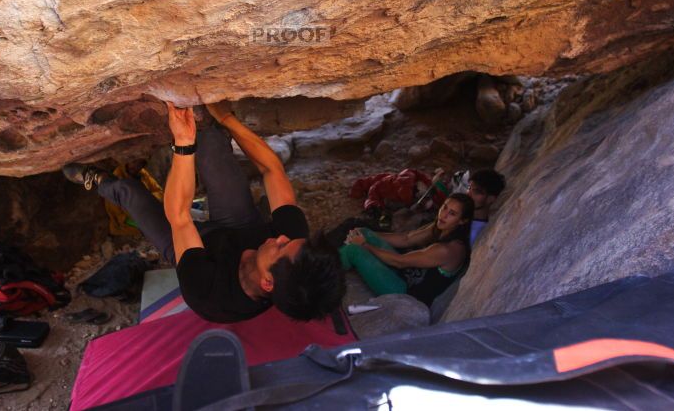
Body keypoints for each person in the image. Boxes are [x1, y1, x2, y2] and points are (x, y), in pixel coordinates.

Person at [62, 101, 345, 323]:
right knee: (209, 141)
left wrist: (183, 145)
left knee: (132, 194)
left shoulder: (210, 297)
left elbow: (180, 218)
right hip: (241, 225)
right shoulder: (295, 245)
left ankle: (100, 180)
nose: (282, 236)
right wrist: (226, 118)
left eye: (281, 247)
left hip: (197, 249)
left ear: (267, 282)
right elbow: (272, 169)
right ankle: (209, 128)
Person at [339, 193, 475, 307]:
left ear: (462, 221)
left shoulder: (447, 250)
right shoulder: (441, 228)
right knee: (364, 232)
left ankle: (323, 271)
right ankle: (332, 262)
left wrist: (364, 245)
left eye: (452, 213)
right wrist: (366, 235)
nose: (444, 215)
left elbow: (399, 262)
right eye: (445, 207)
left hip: (405, 295)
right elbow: (406, 238)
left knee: (354, 251)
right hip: (404, 274)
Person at [466, 169, 506, 247]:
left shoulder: (479, 232)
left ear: (490, 199)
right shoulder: (463, 217)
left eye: (476, 192)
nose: (468, 194)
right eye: (469, 188)